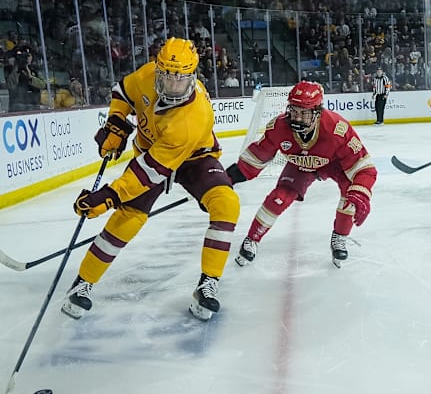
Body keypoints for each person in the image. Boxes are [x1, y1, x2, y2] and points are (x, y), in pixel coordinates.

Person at [62, 38, 240, 322]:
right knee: (128, 217)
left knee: (226, 204)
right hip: (151, 152)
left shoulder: (191, 119)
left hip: (194, 157)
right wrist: (117, 123)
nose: (171, 84)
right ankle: (83, 282)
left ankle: (209, 283)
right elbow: (122, 91)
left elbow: (149, 173)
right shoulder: (148, 74)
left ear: (192, 76)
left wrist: (109, 195)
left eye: (180, 79)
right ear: (158, 69)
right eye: (166, 75)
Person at [225, 81, 377, 268]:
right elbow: (257, 156)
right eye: (294, 111)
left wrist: (361, 192)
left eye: (304, 113)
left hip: (334, 164)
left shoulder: (338, 129)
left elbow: (364, 167)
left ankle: (340, 236)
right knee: (279, 198)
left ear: (318, 111)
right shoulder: (279, 127)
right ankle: (252, 239)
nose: (297, 118)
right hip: (300, 165)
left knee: (351, 197)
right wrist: (229, 178)